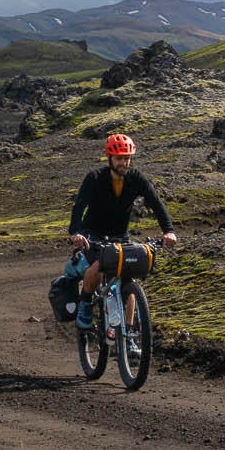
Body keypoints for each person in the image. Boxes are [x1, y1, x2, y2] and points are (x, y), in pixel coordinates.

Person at [67, 132, 176, 329]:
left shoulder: (136, 179)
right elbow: (79, 206)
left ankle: (129, 332)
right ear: (110, 158)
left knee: (129, 278)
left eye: (127, 159)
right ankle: (85, 303)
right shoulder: (95, 178)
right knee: (99, 266)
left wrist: (168, 230)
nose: (123, 163)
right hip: (93, 233)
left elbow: (156, 204)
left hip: (120, 235)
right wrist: (75, 232)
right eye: (119, 159)